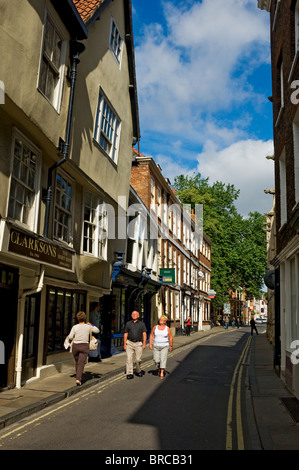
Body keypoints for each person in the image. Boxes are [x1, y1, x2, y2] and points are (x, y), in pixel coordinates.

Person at [68, 311, 99, 386]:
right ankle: (78, 379)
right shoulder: (88, 326)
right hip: (84, 346)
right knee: (81, 363)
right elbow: (97, 331)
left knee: (78, 362)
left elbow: (70, 337)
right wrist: (91, 324)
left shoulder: (75, 327)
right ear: (84, 318)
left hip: (75, 346)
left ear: (77, 318)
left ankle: (79, 376)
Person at [123, 311, 147, 379]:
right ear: (131, 316)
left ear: (138, 316)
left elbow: (144, 334)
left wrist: (144, 343)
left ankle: (138, 371)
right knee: (129, 359)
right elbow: (125, 334)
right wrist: (125, 344)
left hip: (138, 343)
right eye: (132, 314)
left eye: (135, 314)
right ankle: (129, 373)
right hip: (129, 343)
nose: (134, 315)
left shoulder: (142, 324)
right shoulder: (128, 324)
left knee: (138, 359)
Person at [149, 315, 173, 380]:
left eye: (162, 320)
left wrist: (171, 346)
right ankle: (159, 368)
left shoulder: (167, 328)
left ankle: (162, 372)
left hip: (165, 346)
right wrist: (150, 344)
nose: (160, 320)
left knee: (163, 359)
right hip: (156, 346)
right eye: (160, 319)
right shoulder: (155, 327)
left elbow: (170, 337)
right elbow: (151, 335)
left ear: (165, 321)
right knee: (156, 360)